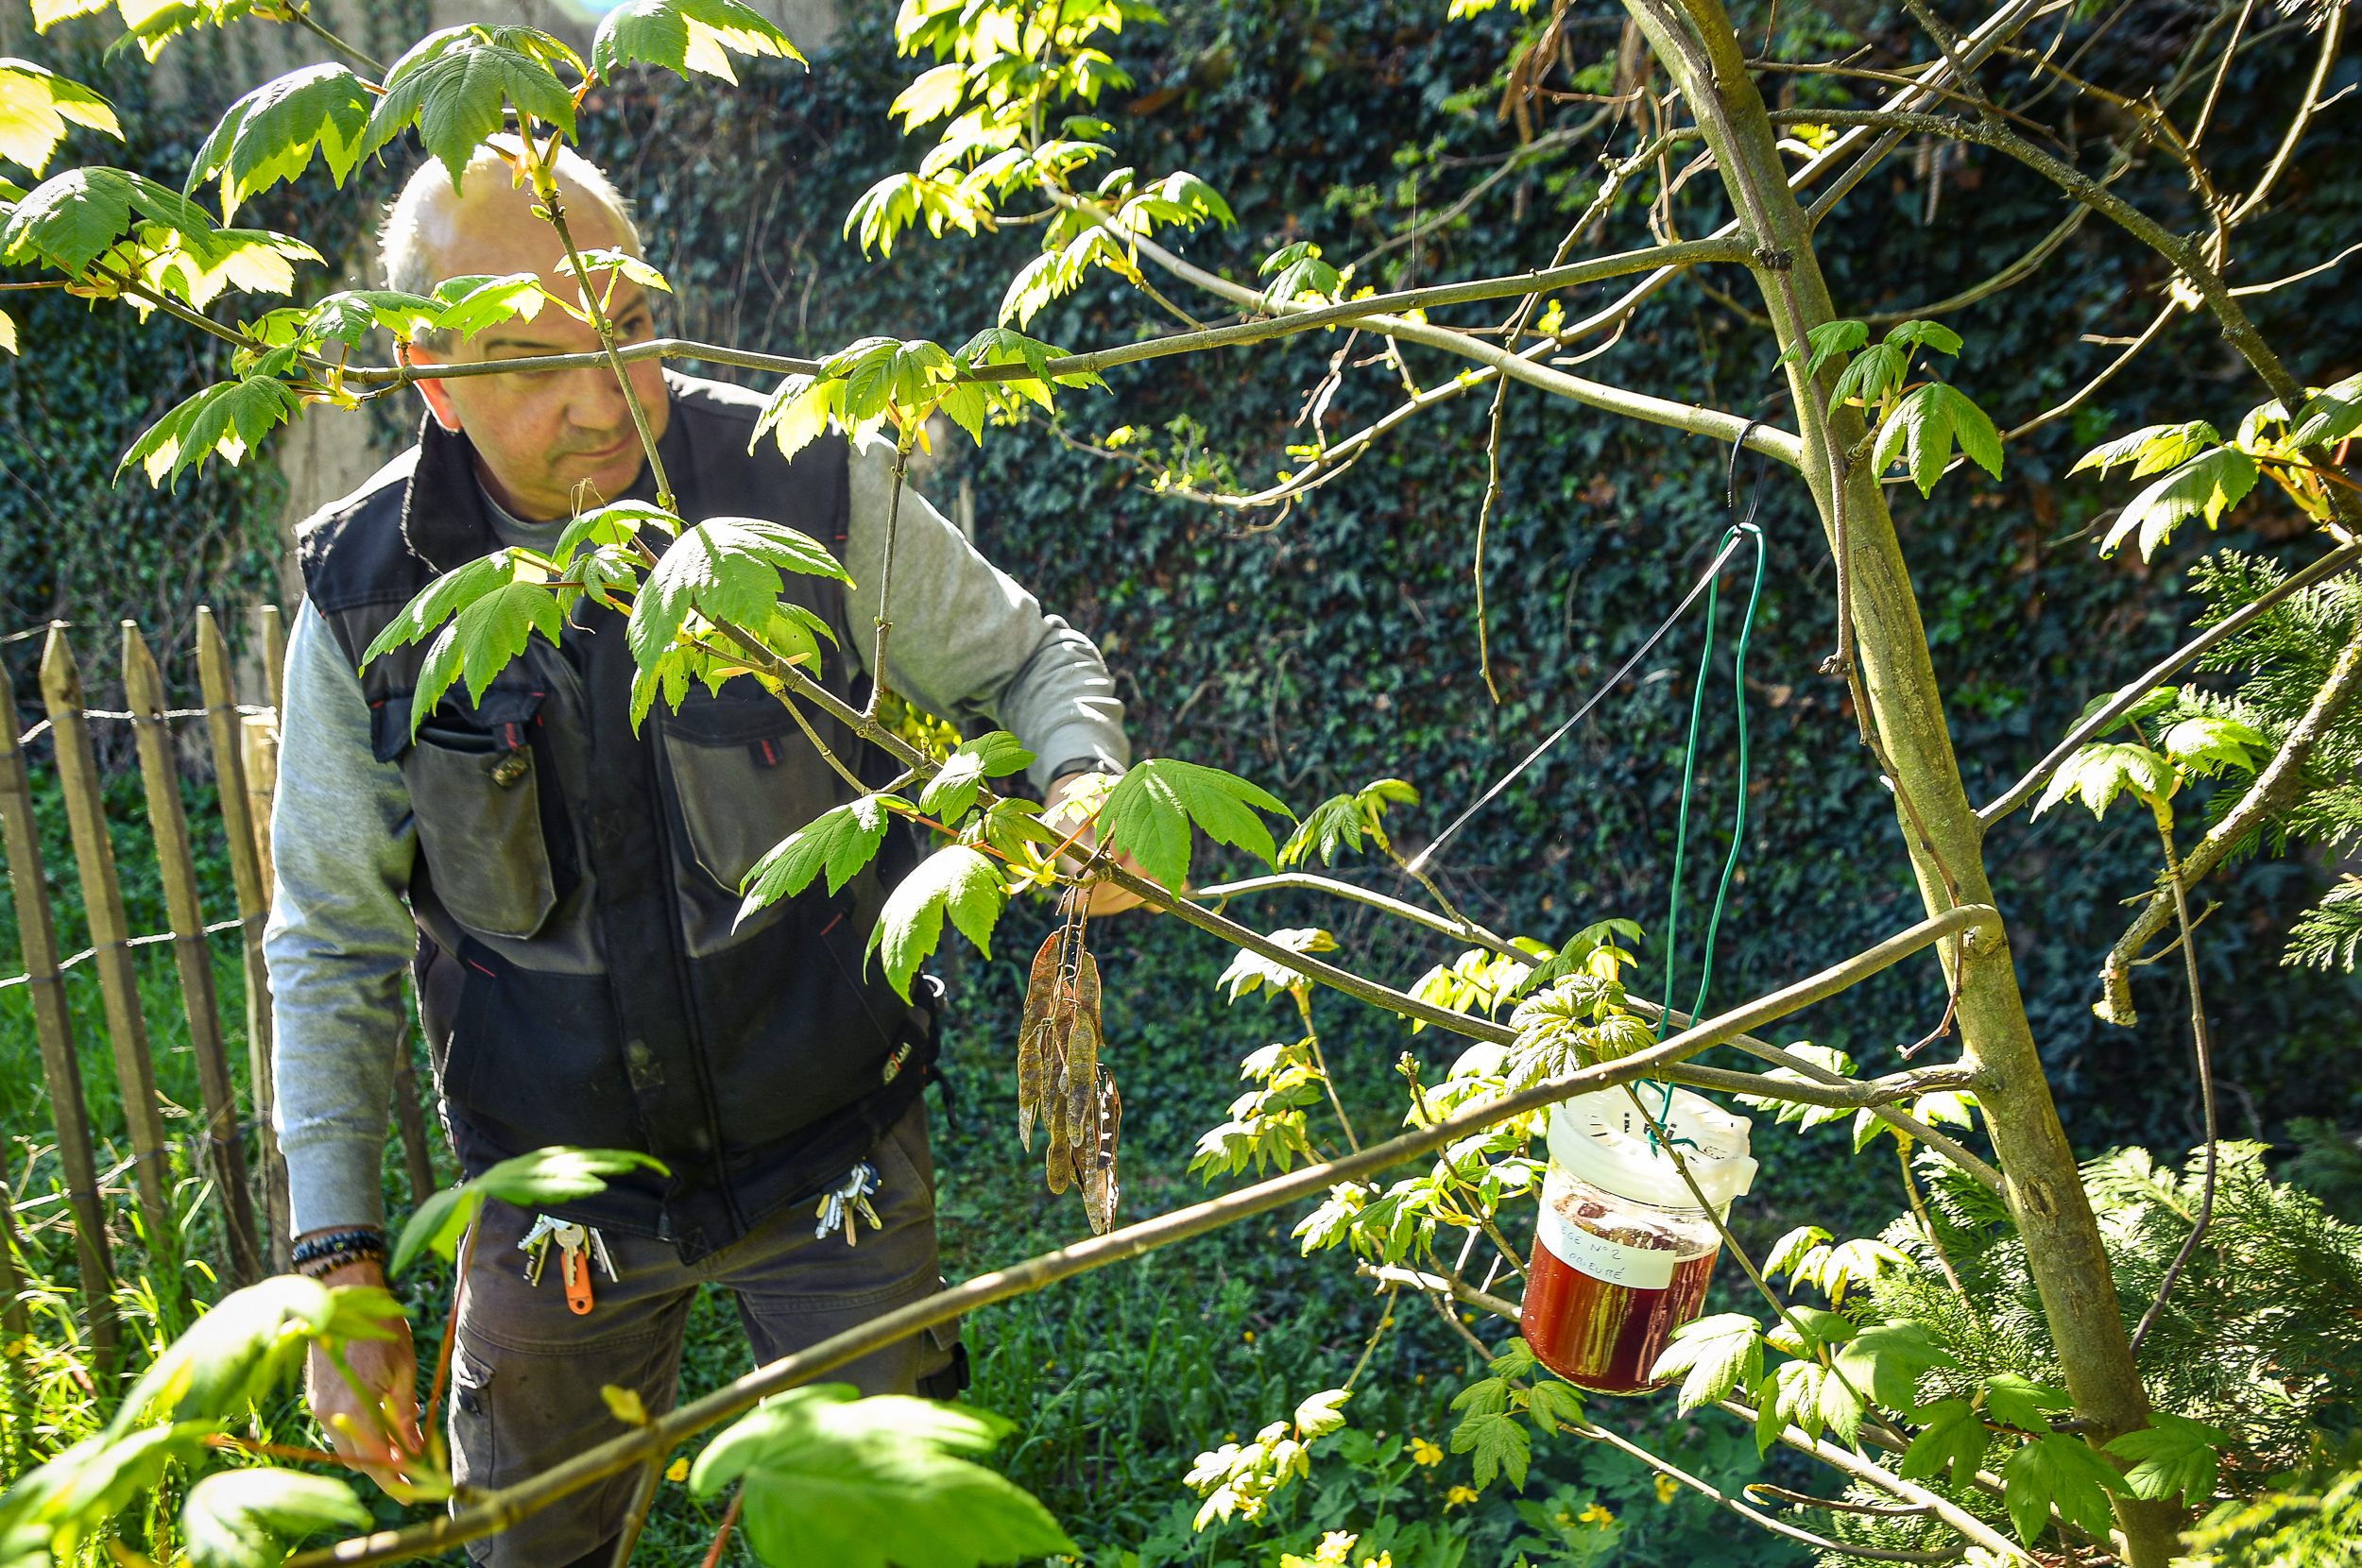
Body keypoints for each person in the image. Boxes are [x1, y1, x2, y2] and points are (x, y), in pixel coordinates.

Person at [264, 138, 1135, 1567]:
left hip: (834, 1166)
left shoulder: (809, 483)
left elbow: (1033, 659)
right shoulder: (366, 600)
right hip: (558, 1214)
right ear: (428, 375)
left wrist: (1087, 782)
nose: (603, 396)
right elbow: (333, 936)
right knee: (531, 1551)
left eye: (624, 325)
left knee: (894, 1546)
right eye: (531, 357)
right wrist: (339, 1260)